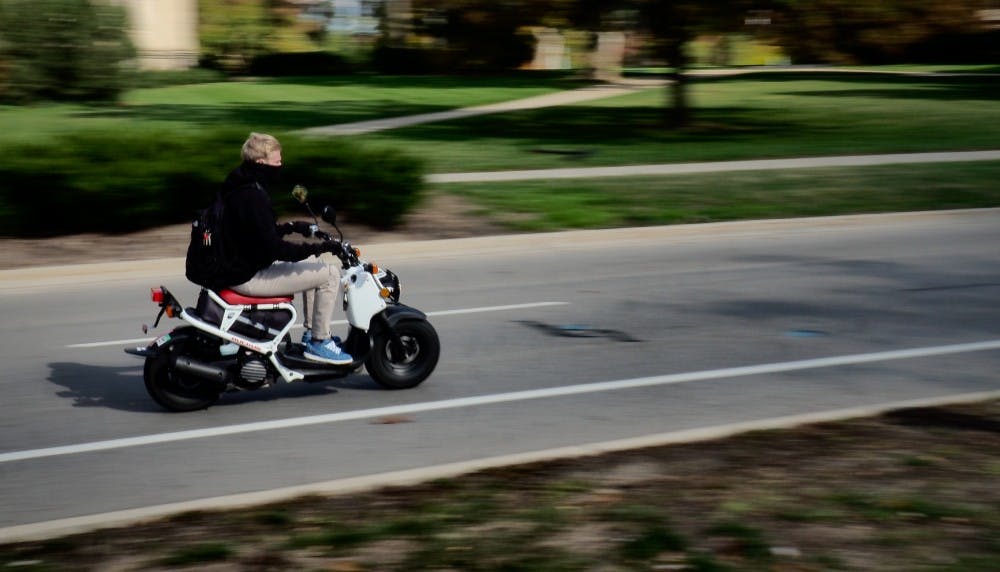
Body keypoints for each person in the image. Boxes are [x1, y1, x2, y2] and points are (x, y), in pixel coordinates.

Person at [215, 132, 352, 365]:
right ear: (261, 163)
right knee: (330, 274)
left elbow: (257, 233)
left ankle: (311, 333)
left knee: (314, 267)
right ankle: (319, 341)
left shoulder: (239, 184)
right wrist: (320, 247)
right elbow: (276, 249)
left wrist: (291, 227)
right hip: (248, 275)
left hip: (239, 265)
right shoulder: (252, 195)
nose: (281, 166)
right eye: (276, 162)